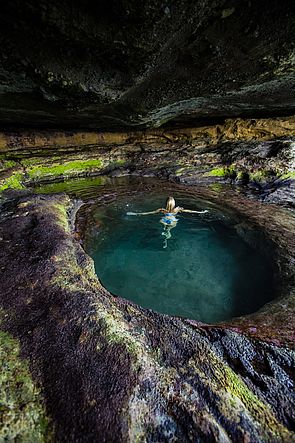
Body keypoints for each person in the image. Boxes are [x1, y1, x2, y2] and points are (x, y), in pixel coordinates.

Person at [127, 196, 208, 248]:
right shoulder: (177, 209)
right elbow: (189, 211)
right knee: (168, 230)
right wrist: (201, 212)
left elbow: (149, 213)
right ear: (174, 203)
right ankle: (166, 241)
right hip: (172, 221)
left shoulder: (162, 210)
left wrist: (136, 213)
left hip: (163, 220)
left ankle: (163, 234)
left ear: (166, 203)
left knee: (164, 228)